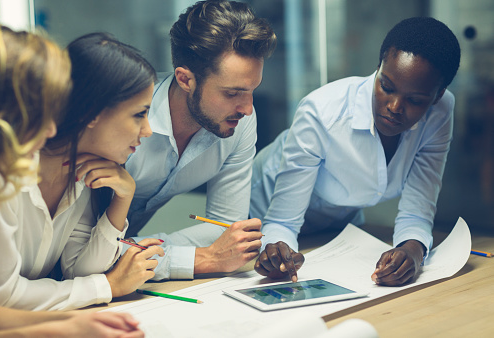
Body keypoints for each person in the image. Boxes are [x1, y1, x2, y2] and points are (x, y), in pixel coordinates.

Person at [250, 17, 461, 286]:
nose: (395, 106)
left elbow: (417, 211)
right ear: (378, 68)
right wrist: (275, 249)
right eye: (386, 86)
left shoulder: (441, 112)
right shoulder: (322, 111)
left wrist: (413, 251)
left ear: (438, 95)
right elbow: (281, 221)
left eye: (415, 100)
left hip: (334, 227)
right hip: (260, 218)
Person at [0, 31, 164, 311]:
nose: (148, 131)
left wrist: (123, 198)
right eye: (139, 114)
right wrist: (107, 286)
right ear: (91, 113)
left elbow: (79, 271)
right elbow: (0, 297)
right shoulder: (2, 172)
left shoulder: (83, 173)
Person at [124, 0, 276, 280]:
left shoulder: (238, 122)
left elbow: (225, 227)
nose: (248, 108)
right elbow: (83, 251)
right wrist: (202, 258)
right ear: (185, 80)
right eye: (232, 93)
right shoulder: (122, 119)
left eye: (252, 90)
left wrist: (136, 251)